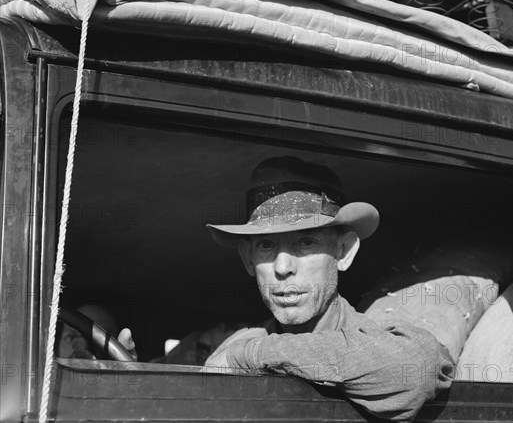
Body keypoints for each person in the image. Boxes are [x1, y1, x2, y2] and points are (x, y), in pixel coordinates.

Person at [121, 156, 454, 421]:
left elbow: (418, 370)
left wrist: (252, 356)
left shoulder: (376, 341)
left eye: (305, 243)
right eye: (266, 246)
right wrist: (129, 387)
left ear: (343, 252)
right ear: (248, 259)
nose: (282, 268)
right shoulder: (236, 342)